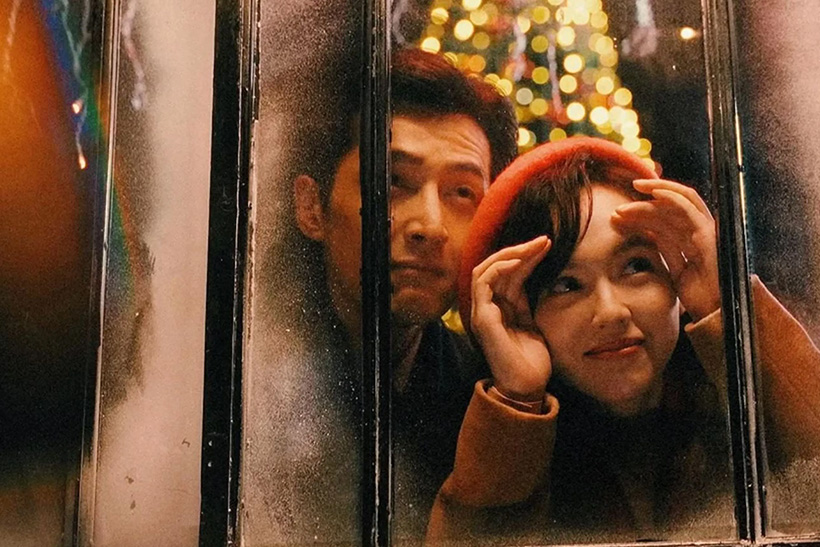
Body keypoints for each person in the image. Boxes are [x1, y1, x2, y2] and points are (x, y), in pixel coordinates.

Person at [427, 137, 820, 544]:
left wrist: (727, 310)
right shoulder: (471, 433)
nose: (611, 312)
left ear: (677, 273)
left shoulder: (736, 404)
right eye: (565, 284)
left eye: (635, 267)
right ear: (517, 309)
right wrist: (517, 400)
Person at [258, 47, 518, 542]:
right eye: (391, 182)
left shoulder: (484, 391)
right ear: (311, 207)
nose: (431, 226)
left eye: (462, 193)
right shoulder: (248, 379)